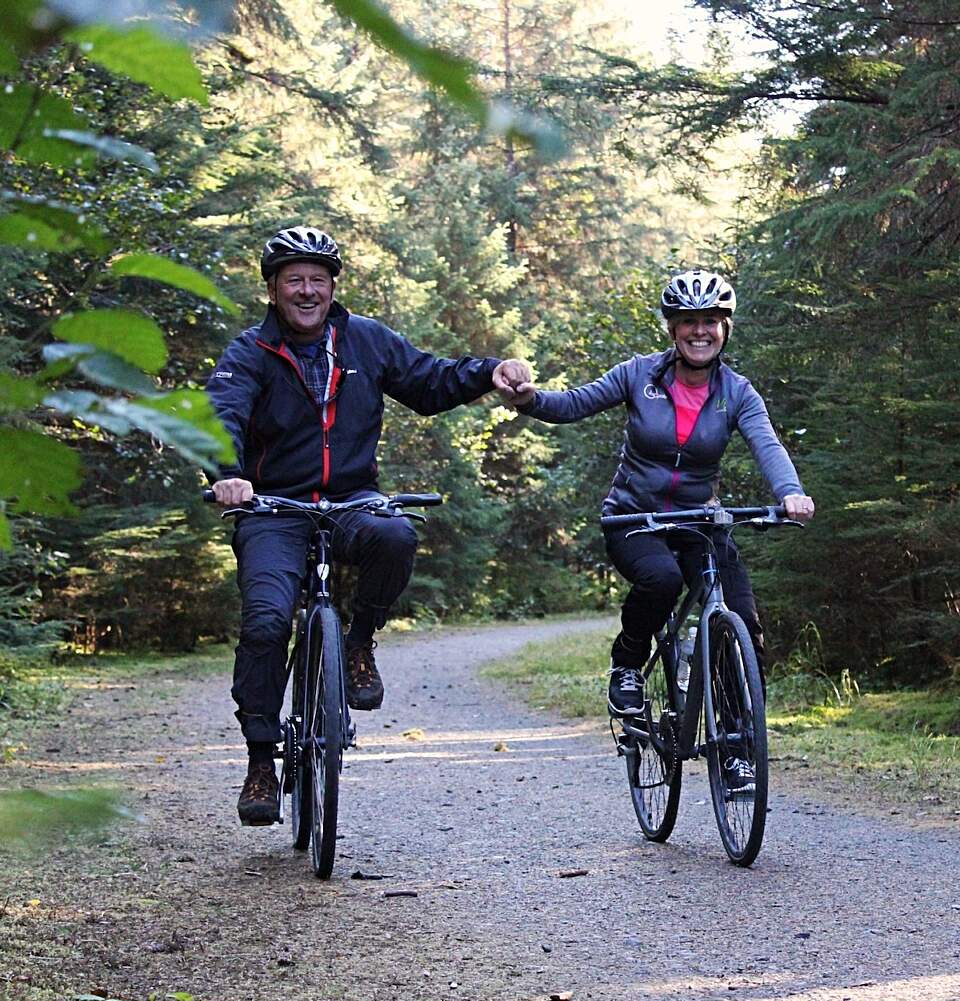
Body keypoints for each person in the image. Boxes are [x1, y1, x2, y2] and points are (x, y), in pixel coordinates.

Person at [206, 225, 529, 825]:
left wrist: (490, 371)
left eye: (317, 281)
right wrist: (229, 473)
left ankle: (358, 643)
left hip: (353, 498)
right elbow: (221, 413)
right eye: (294, 281)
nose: (307, 291)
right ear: (273, 290)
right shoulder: (249, 352)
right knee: (267, 621)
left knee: (395, 533)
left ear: (333, 288)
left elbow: (429, 381)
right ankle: (259, 760)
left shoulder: (366, 342)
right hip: (273, 508)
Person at [505, 269, 815, 788]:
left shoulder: (736, 392)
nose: (700, 331)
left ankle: (736, 748)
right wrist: (530, 399)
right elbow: (575, 403)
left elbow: (768, 445)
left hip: (699, 521)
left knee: (742, 622)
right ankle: (627, 665)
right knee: (662, 580)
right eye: (689, 322)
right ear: (672, 329)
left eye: (711, 322)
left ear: (725, 328)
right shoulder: (638, 375)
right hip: (633, 518)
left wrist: (790, 493)